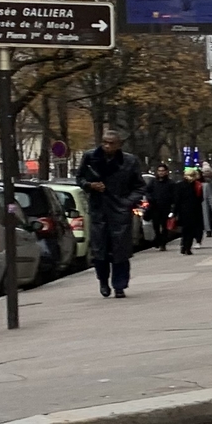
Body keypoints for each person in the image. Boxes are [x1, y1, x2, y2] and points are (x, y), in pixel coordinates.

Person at [75, 128, 145, 298]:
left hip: (119, 211)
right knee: (100, 250)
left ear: (118, 145)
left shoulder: (129, 161)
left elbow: (140, 186)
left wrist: (126, 203)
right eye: (104, 142)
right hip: (99, 209)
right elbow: (80, 177)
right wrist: (90, 186)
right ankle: (103, 281)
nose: (107, 146)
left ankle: (119, 285)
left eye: (111, 143)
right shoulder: (91, 157)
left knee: (120, 250)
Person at [172, 168, 206, 254]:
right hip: (192, 211)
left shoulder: (180, 185)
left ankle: (184, 246)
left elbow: (176, 200)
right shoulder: (196, 185)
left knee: (186, 230)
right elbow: (200, 199)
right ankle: (187, 247)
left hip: (185, 211)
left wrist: (174, 212)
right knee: (190, 230)